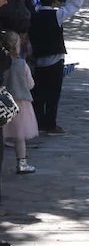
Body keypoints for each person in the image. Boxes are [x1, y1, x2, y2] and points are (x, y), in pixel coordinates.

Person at [29, 0, 89, 135]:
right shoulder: (57, 15)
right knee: (53, 94)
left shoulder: (34, 16)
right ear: (55, 0)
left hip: (39, 59)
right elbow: (75, 5)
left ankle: (39, 122)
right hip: (55, 60)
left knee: (39, 94)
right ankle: (50, 124)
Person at [2, 32, 37, 174]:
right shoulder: (22, 64)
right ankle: (22, 163)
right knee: (20, 136)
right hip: (20, 104)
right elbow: (30, 84)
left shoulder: (3, 64)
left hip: (3, 101)